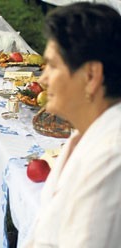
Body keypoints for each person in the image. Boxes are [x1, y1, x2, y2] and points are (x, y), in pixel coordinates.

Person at [24, 3, 121, 247]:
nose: (43, 78)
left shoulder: (111, 158)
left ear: (91, 76)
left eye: (53, 66)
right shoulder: (84, 134)